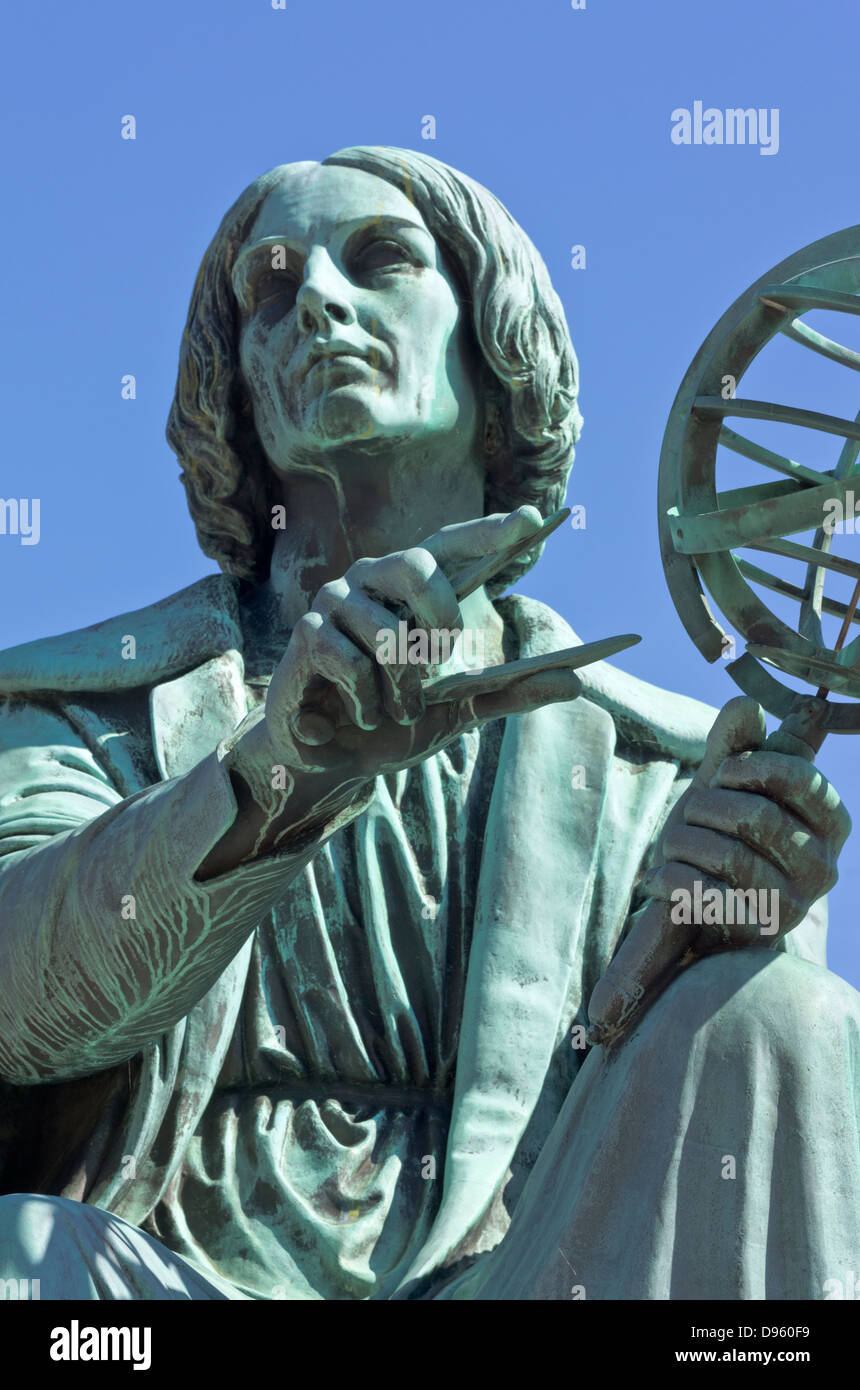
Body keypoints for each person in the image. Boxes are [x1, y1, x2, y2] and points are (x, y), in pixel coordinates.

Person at [0, 147, 856, 1301]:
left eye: (378, 259)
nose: (315, 299)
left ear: (490, 335)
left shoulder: (651, 763)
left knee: (784, 1017)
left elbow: (714, 1125)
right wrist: (275, 775)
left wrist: (736, 909)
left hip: (532, 1272)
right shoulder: (89, 701)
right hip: (152, 1283)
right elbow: (18, 1012)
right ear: (236, 381)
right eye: (271, 284)